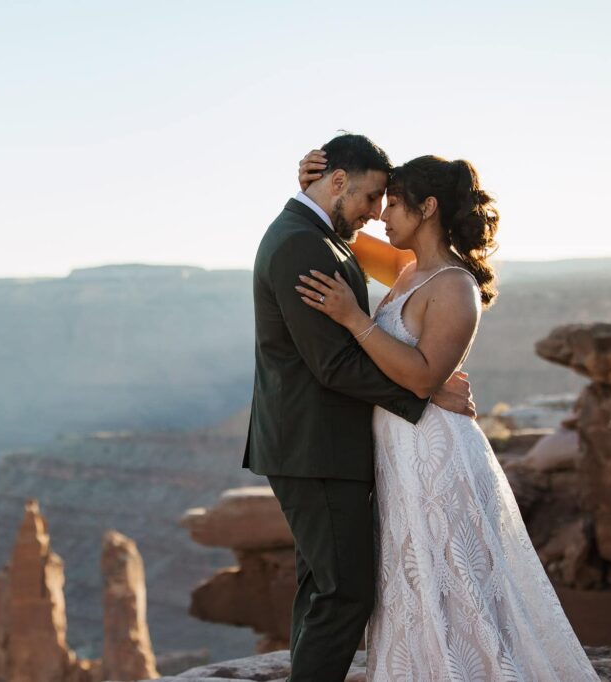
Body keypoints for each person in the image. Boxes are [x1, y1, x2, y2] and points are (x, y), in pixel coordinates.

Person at [296, 150, 597, 680]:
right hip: (400, 451)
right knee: (412, 587)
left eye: (393, 205)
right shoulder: (407, 267)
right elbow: (336, 228)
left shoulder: (455, 285)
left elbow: (421, 377)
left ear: (427, 207)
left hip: (433, 456)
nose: (381, 216)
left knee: (455, 589)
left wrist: (351, 318)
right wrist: (313, 184)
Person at [242, 133, 476, 681]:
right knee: (345, 595)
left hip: (318, 445)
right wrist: (426, 388)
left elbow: (381, 292)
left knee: (325, 589)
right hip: (316, 446)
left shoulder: (321, 234)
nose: (376, 212)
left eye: (388, 201)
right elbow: (332, 365)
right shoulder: (304, 242)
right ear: (340, 182)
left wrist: (315, 192)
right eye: (373, 197)